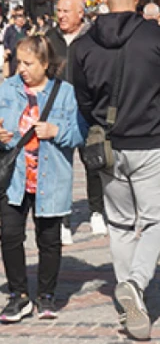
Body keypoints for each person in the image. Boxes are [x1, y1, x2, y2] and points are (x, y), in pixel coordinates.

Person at [70, 0, 160, 341]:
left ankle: (133, 304)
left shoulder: (81, 46)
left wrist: (96, 124)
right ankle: (135, 283)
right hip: (148, 142)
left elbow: (81, 97)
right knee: (157, 220)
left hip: (107, 146)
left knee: (121, 224)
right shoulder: (155, 36)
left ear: (105, 0)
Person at [0, 37, 83, 323]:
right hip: (15, 178)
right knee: (10, 236)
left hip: (51, 178)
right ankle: (18, 295)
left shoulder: (65, 93)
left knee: (49, 239)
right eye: (18, 62)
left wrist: (56, 130)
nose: (21, 68)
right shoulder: (7, 89)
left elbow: (78, 134)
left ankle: (47, 294)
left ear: (45, 64)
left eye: (28, 63)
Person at [44, 0, 106, 242]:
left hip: (88, 109)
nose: (61, 16)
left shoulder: (94, 38)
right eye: (59, 11)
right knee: (60, 167)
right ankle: (63, 220)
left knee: (93, 163)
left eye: (66, 11)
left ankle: (97, 212)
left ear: (81, 13)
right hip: (57, 111)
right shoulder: (50, 39)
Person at [3, 9, 28, 77]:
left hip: (22, 53)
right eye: (19, 20)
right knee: (12, 70)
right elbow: (5, 40)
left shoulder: (24, 30)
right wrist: (7, 48)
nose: (21, 22)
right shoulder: (10, 29)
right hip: (12, 53)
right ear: (15, 21)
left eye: (22, 20)